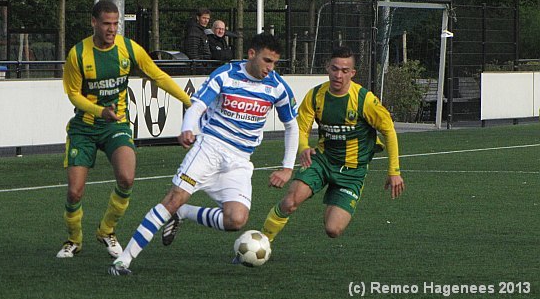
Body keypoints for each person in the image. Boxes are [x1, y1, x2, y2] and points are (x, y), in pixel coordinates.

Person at [109, 33, 299, 276]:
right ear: (252, 54)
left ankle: (184, 213)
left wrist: (287, 167)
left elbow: (291, 125)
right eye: (267, 61)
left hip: (240, 160)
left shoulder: (277, 87)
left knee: (236, 220)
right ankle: (123, 261)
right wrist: (188, 127)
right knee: (173, 198)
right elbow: (198, 104)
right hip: (209, 148)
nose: (270, 68)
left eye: (274, 63)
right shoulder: (225, 75)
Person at [57, 0, 192, 258]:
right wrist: (99, 111)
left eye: (115, 23)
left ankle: (106, 230)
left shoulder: (128, 48)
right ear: (93, 23)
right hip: (84, 128)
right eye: (106, 24)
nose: (112, 29)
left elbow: (157, 75)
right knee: (74, 191)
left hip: (116, 124)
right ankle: (73, 240)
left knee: (127, 178)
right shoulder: (78, 54)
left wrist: (188, 101)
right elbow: (73, 95)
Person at [260, 45, 405, 244]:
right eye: (335, 69)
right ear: (327, 68)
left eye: (345, 71)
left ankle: (336, 197)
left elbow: (388, 130)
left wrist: (394, 171)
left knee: (333, 229)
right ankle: (262, 241)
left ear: (352, 73)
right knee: (290, 202)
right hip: (322, 161)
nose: (339, 75)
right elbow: (301, 129)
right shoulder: (315, 96)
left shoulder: (365, 100)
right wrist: (303, 148)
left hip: (352, 171)